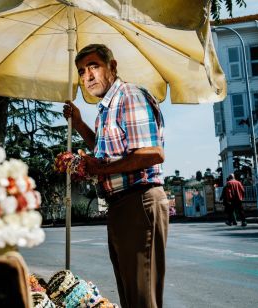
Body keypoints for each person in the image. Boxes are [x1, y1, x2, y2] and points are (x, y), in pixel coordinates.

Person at [63, 44, 168, 308]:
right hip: (121, 205)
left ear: (113, 66)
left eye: (94, 66)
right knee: (130, 295)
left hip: (139, 201)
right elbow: (103, 149)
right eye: (81, 71)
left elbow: (153, 153)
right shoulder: (106, 109)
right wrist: (78, 124)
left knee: (143, 298)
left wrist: (99, 168)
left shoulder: (129, 96)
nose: (87, 76)